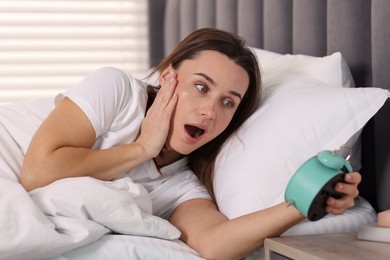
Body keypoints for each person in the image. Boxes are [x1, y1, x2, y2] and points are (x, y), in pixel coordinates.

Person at [19, 28, 360, 259]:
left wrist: (305, 201)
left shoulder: (182, 184)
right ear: (168, 76)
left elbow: (213, 244)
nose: (210, 111)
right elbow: (38, 172)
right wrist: (141, 149)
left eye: (228, 102)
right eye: (201, 87)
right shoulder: (119, 91)